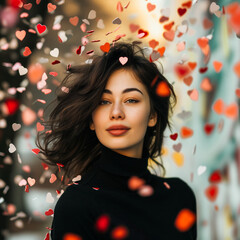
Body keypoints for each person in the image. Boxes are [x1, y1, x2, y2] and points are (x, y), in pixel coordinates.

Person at [36, 41, 197, 240]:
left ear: (153, 115)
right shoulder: (76, 205)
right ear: (92, 120)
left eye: (131, 100)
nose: (116, 113)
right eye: (104, 102)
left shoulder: (179, 196)